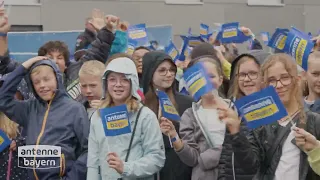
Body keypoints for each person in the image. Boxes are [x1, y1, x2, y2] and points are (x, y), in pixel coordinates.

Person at [161, 56, 258, 180]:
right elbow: (191, 159)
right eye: (201, 77)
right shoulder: (190, 115)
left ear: (220, 79)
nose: (206, 81)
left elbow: (245, 149)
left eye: (211, 76)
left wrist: (210, 155)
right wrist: (175, 138)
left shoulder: (236, 109)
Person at [0, 56, 89, 180]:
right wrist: (24, 67)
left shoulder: (75, 109)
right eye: (36, 82)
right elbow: (3, 99)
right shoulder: (29, 109)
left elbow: (88, 150)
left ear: (57, 79)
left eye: (47, 79)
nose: (42, 85)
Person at [236, 53, 320, 180]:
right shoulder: (260, 122)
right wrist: (236, 134)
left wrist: (315, 149)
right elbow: (250, 166)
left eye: (285, 77)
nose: (279, 85)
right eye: (272, 80)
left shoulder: (314, 121)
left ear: (297, 79)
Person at [87, 57, 165, 180]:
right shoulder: (97, 117)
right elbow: (93, 161)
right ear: (106, 83)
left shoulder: (145, 116)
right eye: (112, 79)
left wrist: (126, 168)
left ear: (132, 83)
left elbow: (157, 157)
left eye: (124, 80)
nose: (118, 84)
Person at [141, 51, 193, 180]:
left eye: (171, 70)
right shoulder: (139, 105)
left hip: (180, 170)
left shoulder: (187, 102)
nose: (169, 74)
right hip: (149, 170)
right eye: (162, 70)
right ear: (150, 72)